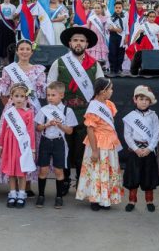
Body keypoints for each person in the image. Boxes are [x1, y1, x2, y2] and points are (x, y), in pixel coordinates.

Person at [47, 25, 105, 189]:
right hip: (64, 113)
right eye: (75, 40)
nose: (78, 43)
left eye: (81, 40)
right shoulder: (59, 63)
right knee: (64, 150)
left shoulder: (94, 65)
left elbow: (102, 90)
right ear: (70, 43)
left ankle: (82, 181)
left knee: (82, 150)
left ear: (87, 44)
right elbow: (50, 86)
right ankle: (64, 181)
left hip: (86, 114)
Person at [0, 40, 46, 193]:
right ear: (17, 51)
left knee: (28, 145)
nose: (24, 52)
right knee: (12, 146)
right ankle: (13, 183)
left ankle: (27, 184)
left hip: (31, 112)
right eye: (21, 49)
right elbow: (3, 92)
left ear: (31, 52)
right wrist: (11, 108)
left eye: (27, 49)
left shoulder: (38, 70)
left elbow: (41, 92)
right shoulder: (9, 69)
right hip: (13, 112)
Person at [76, 78, 123, 211]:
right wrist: (95, 151)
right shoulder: (93, 107)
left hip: (109, 142)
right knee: (96, 169)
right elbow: (90, 129)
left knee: (108, 169)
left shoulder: (109, 105)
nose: (112, 91)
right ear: (103, 91)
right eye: (110, 89)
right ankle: (95, 198)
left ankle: (105, 197)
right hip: (98, 143)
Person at [34, 81, 77, 208]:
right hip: (46, 141)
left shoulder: (67, 111)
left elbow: (70, 131)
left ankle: (59, 197)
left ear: (62, 95)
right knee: (43, 170)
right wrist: (47, 124)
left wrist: (59, 125)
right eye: (48, 95)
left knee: (59, 170)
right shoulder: (44, 110)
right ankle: (41, 195)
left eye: (53, 95)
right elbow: (38, 128)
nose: (50, 98)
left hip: (59, 142)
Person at [121, 85, 159, 213]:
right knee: (133, 177)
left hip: (148, 152)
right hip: (135, 152)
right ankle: (132, 201)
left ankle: (149, 201)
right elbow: (127, 135)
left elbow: (157, 133)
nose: (144, 102)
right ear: (135, 100)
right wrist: (136, 149)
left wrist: (149, 149)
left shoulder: (153, 116)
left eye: (146, 99)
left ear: (150, 101)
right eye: (141, 99)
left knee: (148, 177)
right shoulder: (131, 116)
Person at [0, 82, 36, 208]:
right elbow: (3, 130)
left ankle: (22, 194)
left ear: (26, 98)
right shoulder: (9, 112)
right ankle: (12, 193)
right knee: (11, 171)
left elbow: (30, 132)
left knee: (21, 171)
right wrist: (0, 145)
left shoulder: (29, 112)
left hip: (21, 146)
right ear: (11, 98)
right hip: (9, 144)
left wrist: (32, 149)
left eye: (22, 96)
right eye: (16, 96)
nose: (19, 99)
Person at [0, 0, 19, 64]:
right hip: (2, 25)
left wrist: (15, 28)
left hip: (10, 25)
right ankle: (3, 61)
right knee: (1, 43)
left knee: (11, 43)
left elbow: (15, 19)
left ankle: (10, 61)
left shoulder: (13, 7)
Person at [108, 1, 128, 75]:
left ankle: (119, 68)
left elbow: (126, 29)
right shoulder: (111, 17)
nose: (118, 9)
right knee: (112, 52)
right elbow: (109, 27)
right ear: (114, 8)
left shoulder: (125, 18)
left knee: (121, 53)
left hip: (122, 37)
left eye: (119, 8)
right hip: (113, 36)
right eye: (116, 8)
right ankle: (112, 68)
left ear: (122, 8)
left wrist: (126, 37)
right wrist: (116, 29)